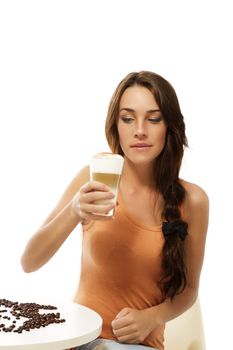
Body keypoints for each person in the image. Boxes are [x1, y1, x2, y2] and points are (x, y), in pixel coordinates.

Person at [21, 71, 209, 350]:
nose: (140, 130)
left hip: (138, 345)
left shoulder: (193, 200)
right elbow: (30, 261)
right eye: (128, 118)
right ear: (115, 124)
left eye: (153, 118)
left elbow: (189, 290)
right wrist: (73, 211)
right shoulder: (93, 178)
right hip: (80, 340)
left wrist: (151, 317)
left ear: (169, 126)